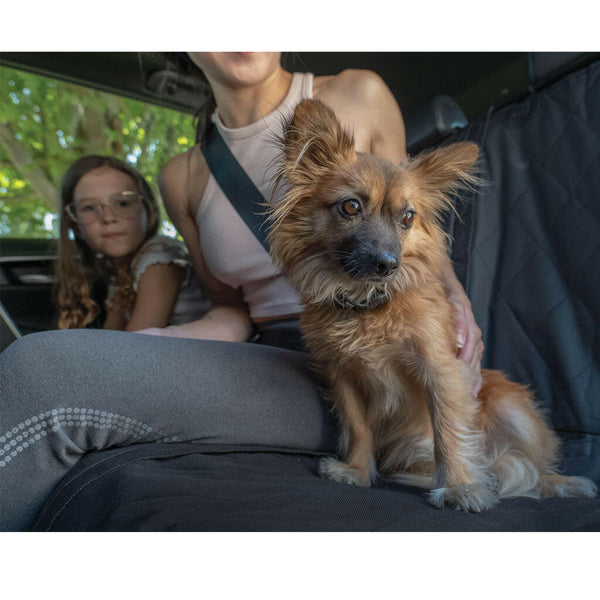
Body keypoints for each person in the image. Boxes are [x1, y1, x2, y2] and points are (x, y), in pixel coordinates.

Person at [0, 53, 482, 531]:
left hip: (386, 328)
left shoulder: (359, 93)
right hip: (275, 357)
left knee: (38, 366)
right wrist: (146, 345)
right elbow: (230, 311)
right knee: (51, 362)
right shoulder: (181, 175)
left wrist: (456, 301)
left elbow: (406, 216)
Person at [56, 155, 209, 331]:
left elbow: (133, 348)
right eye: (89, 207)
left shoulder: (159, 261)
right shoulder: (120, 269)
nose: (108, 217)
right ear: (75, 225)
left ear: (149, 211)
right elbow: (111, 337)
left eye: (123, 203)